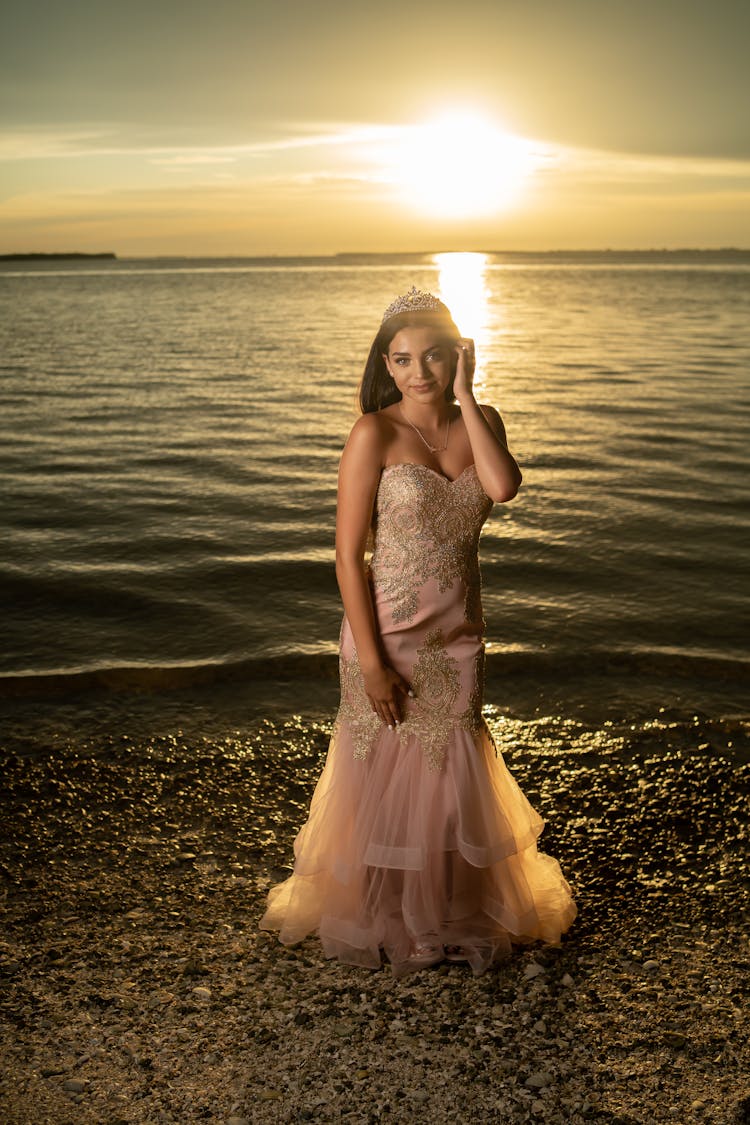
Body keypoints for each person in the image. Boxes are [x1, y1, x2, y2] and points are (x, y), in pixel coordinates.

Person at [259, 286, 577, 976]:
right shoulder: (374, 431)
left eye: (435, 356)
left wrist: (468, 394)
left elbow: (503, 487)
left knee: (448, 771)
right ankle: (391, 915)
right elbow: (348, 554)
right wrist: (370, 660)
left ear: (457, 356)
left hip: (458, 635)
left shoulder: (480, 420)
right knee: (382, 772)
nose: (419, 371)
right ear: (386, 364)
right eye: (402, 359)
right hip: (388, 629)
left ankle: (443, 912)